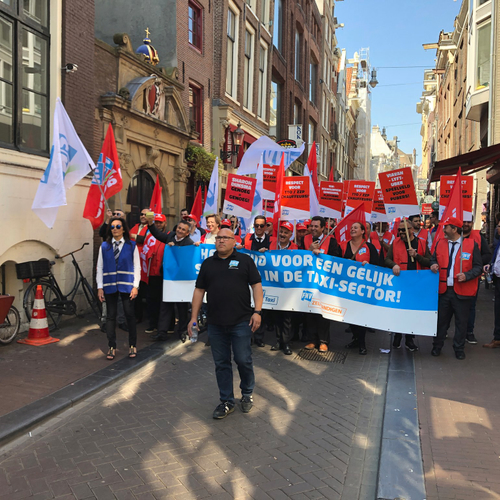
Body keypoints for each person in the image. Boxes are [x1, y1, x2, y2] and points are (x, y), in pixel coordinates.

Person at [189, 228, 263, 419]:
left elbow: (256, 286)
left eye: (225, 238)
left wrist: (257, 311)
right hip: (215, 323)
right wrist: (193, 318)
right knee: (221, 363)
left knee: (243, 360)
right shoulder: (207, 264)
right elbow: (199, 291)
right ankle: (227, 401)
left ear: (233, 241)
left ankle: (246, 394)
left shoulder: (245, 261)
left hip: (241, 322)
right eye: (218, 237)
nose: (221, 241)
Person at [429, 216, 482, 360]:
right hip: (444, 290)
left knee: (461, 322)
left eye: (446, 227)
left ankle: (459, 348)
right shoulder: (440, 243)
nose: (444, 229)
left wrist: (467, 275)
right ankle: (436, 346)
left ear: (454, 229)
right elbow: (433, 259)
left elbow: (478, 267)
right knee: (441, 321)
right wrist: (433, 264)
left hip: (462, 292)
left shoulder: (471, 245)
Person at [97, 217, 140, 360]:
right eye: (112, 226)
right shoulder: (104, 246)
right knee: (110, 316)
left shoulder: (131, 245)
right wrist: (100, 287)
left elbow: (136, 266)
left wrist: (135, 286)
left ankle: (132, 345)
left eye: (118, 226)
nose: (115, 229)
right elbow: (100, 267)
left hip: (127, 285)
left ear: (123, 228)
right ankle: (111, 347)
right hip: (109, 285)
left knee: (129, 315)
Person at [385, 219, 431, 352]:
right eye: (399, 230)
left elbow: (429, 261)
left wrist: (416, 256)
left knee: (412, 312)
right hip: (400, 284)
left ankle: (410, 339)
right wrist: (394, 265)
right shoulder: (395, 243)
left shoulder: (421, 243)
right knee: (399, 311)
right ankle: (397, 336)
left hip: (416, 284)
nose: (400, 232)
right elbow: (387, 259)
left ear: (411, 230)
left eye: (403, 230)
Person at [148, 218, 194, 341]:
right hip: (168, 278)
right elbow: (158, 234)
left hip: (181, 280)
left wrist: (177, 248)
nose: (179, 231)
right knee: (165, 305)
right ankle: (162, 332)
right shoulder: (171, 236)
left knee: (181, 307)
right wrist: (151, 224)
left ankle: (182, 331)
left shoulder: (189, 243)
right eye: (179, 228)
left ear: (187, 233)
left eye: (183, 229)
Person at [340, 222, 379, 355]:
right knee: (350, 315)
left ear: (363, 231)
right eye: (351, 227)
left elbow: (378, 265)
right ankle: (356, 339)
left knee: (360, 316)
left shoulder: (369, 247)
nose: (352, 229)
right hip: (347, 287)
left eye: (355, 227)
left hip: (363, 288)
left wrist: (369, 266)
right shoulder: (343, 246)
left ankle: (362, 343)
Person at [303, 216, 339, 353]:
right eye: (311, 226)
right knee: (310, 311)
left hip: (324, 283)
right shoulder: (305, 239)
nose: (313, 228)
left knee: (323, 312)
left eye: (316, 226)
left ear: (323, 228)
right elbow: (298, 257)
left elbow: (336, 259)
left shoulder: (331, 241)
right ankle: (312, 340)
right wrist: (309, 250)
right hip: (308, 282)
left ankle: (323, 341)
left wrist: (321, 256)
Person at [263, 222, 297, 355]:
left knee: (287, 317)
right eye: (281, 232)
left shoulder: (295, 248)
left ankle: (286, 343)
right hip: (275, 287)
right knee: (277, 316)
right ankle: (278, 341)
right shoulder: (272, 245)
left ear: (290, 235)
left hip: (288, 289)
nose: (282, 234)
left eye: (286, 232)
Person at [462, 218, 492, 344]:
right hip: (456, 277)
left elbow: (487, 254)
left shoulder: (478, 237)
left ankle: (469, 332)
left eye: (469, 222)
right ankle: (445, 330)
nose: (467, 224)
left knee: (471, 306)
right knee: (451, 306)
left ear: (472, 223)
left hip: (473, 278)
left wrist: (476, 261)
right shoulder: (455, 236)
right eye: (464, 221)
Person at [143, 214, 168, 335]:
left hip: (164, 275)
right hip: (151, 273)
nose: (158, 224)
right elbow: (144, 250)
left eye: (160, 222)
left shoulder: (169, 237)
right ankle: (152, 324)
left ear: (165, 223)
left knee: (164, 301)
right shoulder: (149, 236)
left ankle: (165, 325)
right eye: (156, 222)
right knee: (152, 300)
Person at [483, 224, 500, 349]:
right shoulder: (498, 243)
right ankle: (497, 338)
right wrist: (490, 265)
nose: (497, 228)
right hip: (498, 280)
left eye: (499, 226)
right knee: (498, 310)